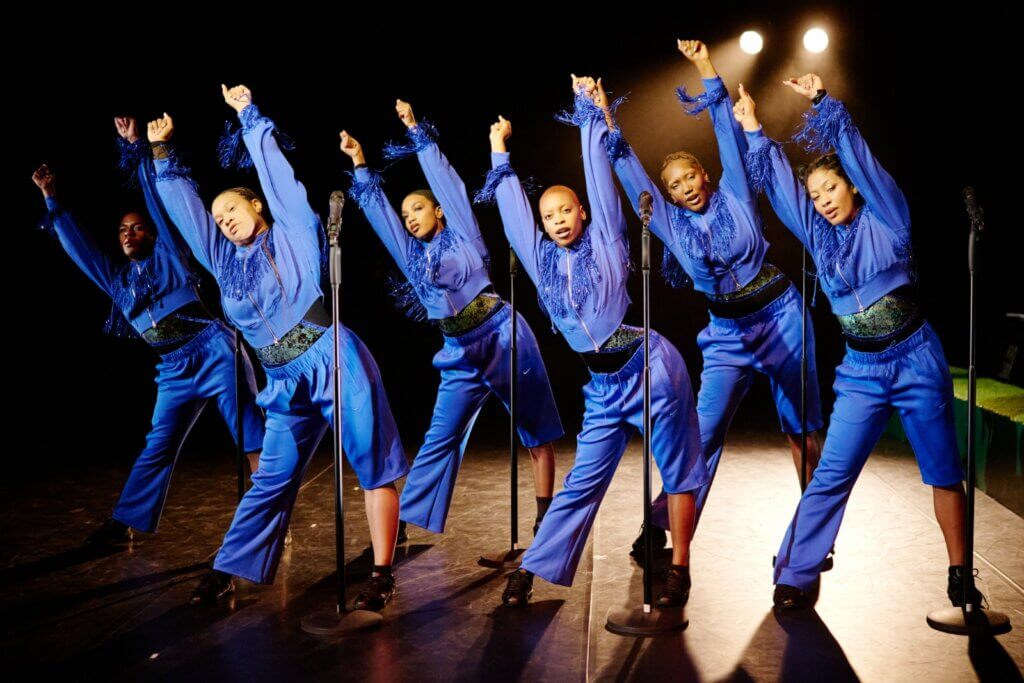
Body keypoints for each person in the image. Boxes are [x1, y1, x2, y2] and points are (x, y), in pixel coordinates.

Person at [149, 85, 408, 610]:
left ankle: (382, 571)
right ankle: (228, 568)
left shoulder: (292, 231)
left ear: (256, 205)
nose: (223, 218)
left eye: (232, 208)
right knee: (269, 477)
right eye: (218, 216)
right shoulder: (223, 261)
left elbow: (281, 182)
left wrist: (249, 118)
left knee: (370, 461)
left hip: (331, 357)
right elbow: (188, 215)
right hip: (283, 381)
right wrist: (161, 155)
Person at [737, 75, 976, 609]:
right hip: (862, 372)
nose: (822, 201)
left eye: (832, 189)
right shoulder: (818, 235)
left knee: (942, 472)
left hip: (916, 361)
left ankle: (961, 574)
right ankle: (794, 573)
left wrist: (824, 105)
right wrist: (752, 127)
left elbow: (861, 158)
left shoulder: (890, 218)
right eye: (816, 194)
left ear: (855, 188)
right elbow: (779, 186)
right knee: (828, 476)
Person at [480, 76, 707, 608]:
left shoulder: (607, 238)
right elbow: (513, 214)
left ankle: (680, 570)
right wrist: (498, 151)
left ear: (582, 212)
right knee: (581, 483)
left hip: (651, 368)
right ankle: (532, 570)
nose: (557, 221)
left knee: (677, 471)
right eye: (548, 216)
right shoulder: (539, 261)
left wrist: (587, 113)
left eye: (565, 211)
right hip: (603, 387)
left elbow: (600, 180)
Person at [607, 41, 823, 561]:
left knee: (801, 427)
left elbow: (727, 133)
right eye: (673, 186)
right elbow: (632, 177)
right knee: (699, 435)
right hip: (726, 333)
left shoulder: (735, 193)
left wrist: (706, 68)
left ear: (704, 175)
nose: (684, 189)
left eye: (689, 178)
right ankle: (664, 523)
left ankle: (813, 532)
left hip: (780, 316)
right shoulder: (668, 225)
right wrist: (607, 125)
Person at [32, 118, 264, 546]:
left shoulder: (171, 256)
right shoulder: (118, 283)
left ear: (153, 236)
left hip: (214, 351)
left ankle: (268, 519)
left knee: (250, 434)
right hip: (173, 369)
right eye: (122, 230)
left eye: (137, 228)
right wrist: (52, 201)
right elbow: (81, 250)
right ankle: (124, 524)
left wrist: (140, 150)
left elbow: (156, 204)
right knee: (157, 445)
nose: (129, 233)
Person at [340, 99, 563, 539]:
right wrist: (361, 164)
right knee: (438, 438)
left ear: (438, 211)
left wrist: (416, 131)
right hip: (459, 352)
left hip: (502, 335)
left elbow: (447, 183)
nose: (409, 219)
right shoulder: (412, 259)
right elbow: (381, 216)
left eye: (417, 210)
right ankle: (400, 525)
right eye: (406, 216)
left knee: (536, 432)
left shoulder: (464, 234)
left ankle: (544, 516)